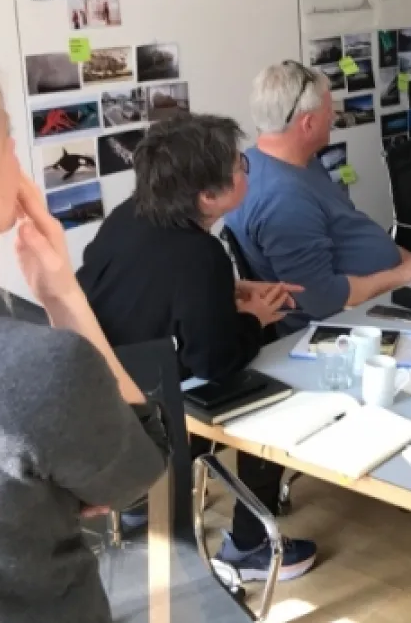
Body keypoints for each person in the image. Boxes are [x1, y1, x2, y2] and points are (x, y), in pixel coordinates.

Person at [0, 34, 168, 622]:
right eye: (4, 135)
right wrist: (63, 294)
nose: (16, 152)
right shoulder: (35, 366)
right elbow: (139, 470)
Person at [76, 114, 318, 582]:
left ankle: (143, 510)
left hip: (102, 395)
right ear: (208, 197)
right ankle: (251, 547)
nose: (246, 171)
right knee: (270, 386)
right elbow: (216, 360)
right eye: (240, 167)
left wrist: (230, 294)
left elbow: (147, 291)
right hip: (150, 411)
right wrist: (254, 318)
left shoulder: (131, 214)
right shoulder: (199, 255)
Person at [224, 61, 411, 333]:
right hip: (348, 322)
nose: (333, 118)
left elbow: (350, 228)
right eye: (330, 111)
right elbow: (323, 298)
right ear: (308, 123)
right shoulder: (283, 199)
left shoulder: (280, 161)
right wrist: (402, 275)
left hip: (388, 289)